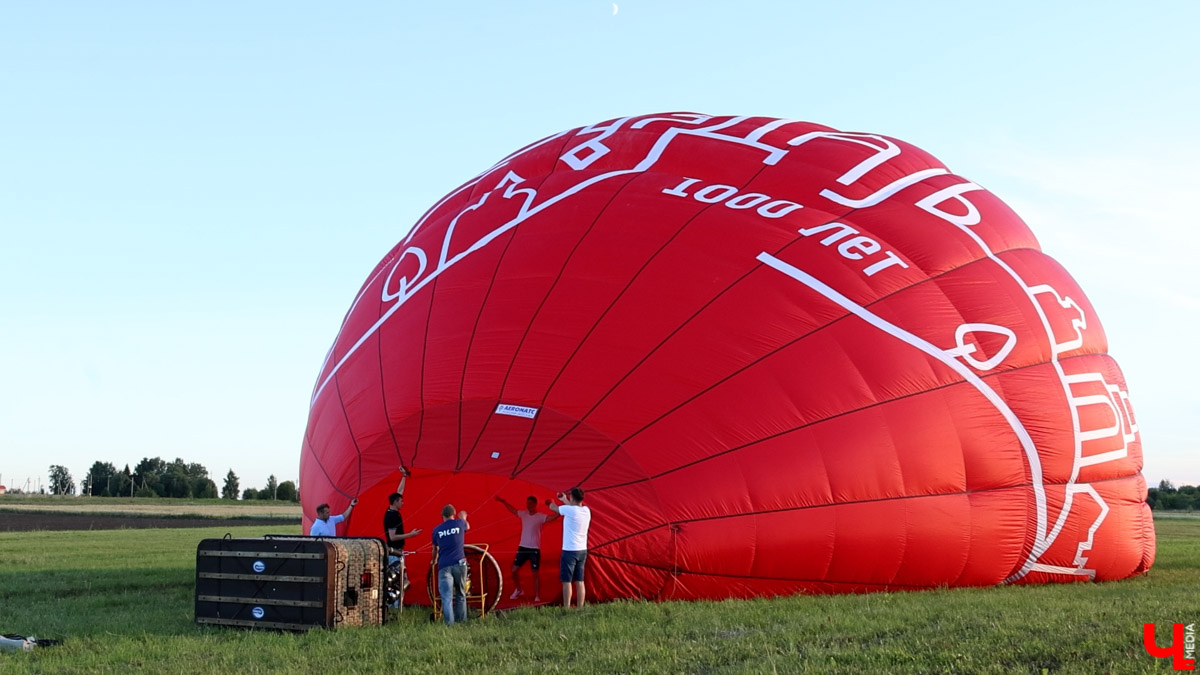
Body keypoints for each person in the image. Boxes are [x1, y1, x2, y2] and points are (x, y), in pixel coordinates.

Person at [495, 494, 558, 601]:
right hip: (523, 547)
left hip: (534, 549)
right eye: (527, 503)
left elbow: (553, 517)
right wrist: (503, 501)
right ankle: (518, 589)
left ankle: (537, 595)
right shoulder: (523, 514)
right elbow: (513, 510)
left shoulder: (540, 516)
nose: (528, 505)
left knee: (535, 573)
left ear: (535, 504)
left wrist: (558, 509)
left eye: (530, 503)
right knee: (514, 570)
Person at [382, 466, 422, 608]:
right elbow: (392, 537)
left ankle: (397, 607)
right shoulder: (391, 517)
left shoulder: (392, 508)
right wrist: (410, 535)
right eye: (401, 501)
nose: (403, 503)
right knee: (397, 581)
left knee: (403, 580)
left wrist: (404, 477)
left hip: (398, 552)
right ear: (395, 502)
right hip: (394, 553)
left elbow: (399, 492)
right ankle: (394, 607)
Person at [547, 487, 591, 609]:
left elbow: (553, 508)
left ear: (572, 497)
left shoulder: (570, 510)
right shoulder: (586, 511)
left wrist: (550, 502)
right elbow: (573, 508)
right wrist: (564, 499)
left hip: (569, 551)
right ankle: (580, 607)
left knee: (567, 581)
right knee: (580, 581)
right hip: (582, 550)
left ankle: (566, 607)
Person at [431, 504, 470, 626]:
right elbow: (467, 526)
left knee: (446, 597)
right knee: (461, 593)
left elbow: (435, 549)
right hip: (460, 563)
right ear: (453, 514)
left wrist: (433, 561)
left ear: (442, 516)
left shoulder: (436, 530)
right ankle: (461, 621)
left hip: (444, 566)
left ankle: (450, 624)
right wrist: (463, 517)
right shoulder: (459, 523)